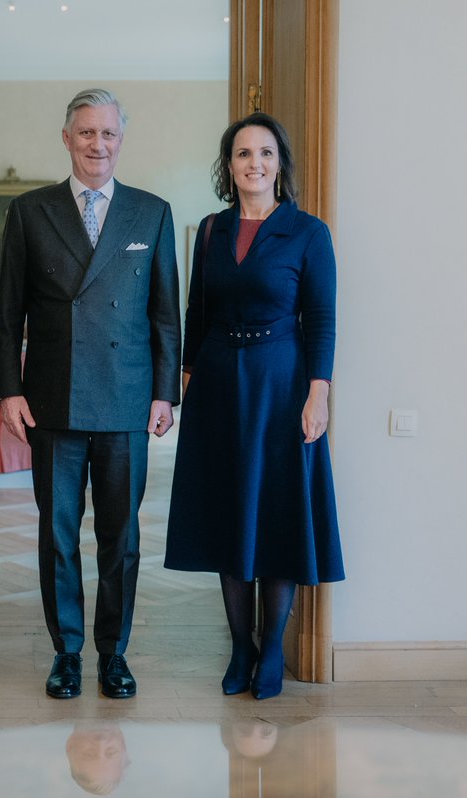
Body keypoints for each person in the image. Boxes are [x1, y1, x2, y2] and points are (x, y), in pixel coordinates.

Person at [0, 89, 181, 700]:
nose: (97, 144)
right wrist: (9, 392)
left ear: (120, 140)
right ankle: (66, 652)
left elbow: (164, 315)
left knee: (122, 538)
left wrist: (164, 392)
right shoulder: (30, 210)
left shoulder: (151, 212)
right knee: (58, 532)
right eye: (86, 133)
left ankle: (114, 653)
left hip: (128, 400)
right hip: (53, 399)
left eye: (108, 134)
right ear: (67, 137)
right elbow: (11, 310)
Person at [164, 112, 344, 701]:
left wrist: (319, 393)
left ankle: (271, 650)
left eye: (265, 153)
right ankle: (240, 647)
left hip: (282, 386)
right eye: (243, 154)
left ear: (280, 164)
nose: (255, 164)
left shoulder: (308, 232)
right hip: (217, 385)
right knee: (228, 514)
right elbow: (197, 315)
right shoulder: (212, 231)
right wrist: (186, 383)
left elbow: (320, 319)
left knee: (277, 513)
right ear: (229, 166)